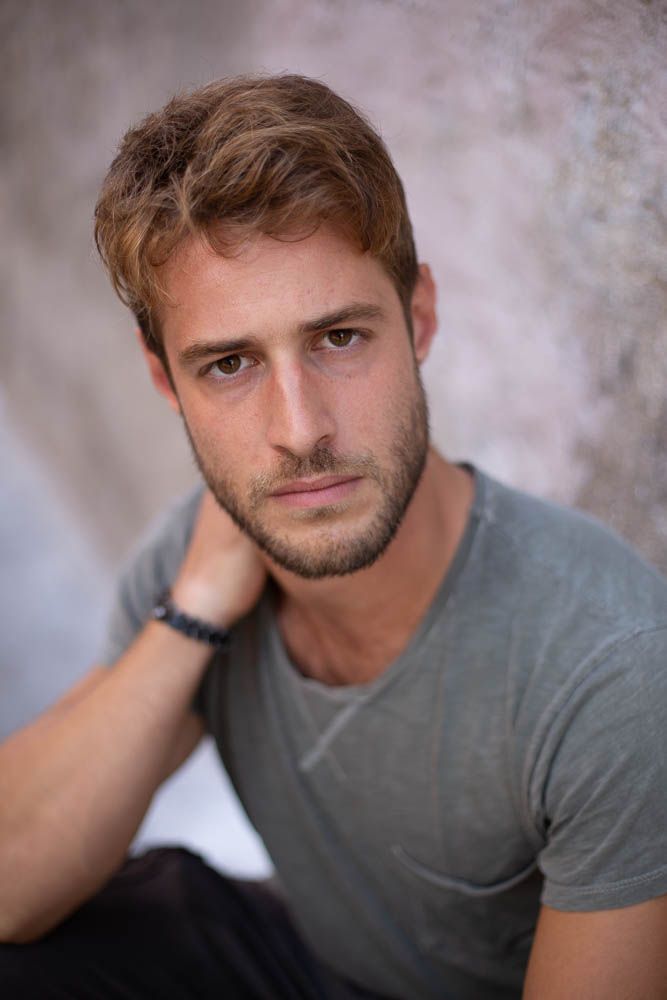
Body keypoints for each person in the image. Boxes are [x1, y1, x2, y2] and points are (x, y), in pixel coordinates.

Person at [0, 74, 666, 1000]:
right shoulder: (194, 559)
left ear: (418, 318)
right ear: (164, 381)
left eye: (339, 338)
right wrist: (196, 608)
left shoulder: (613, 668)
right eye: (229, 364)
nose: (299, 429)